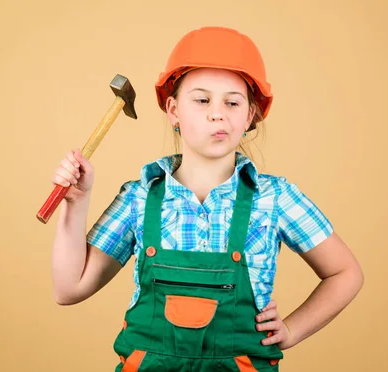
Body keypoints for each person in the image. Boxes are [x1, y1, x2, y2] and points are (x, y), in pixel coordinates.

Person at [50, 26, 364, 371]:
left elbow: (345, 273)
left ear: (249, 116)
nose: (218, 113)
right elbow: (69, 289)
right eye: (202, 100)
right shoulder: (139, 197)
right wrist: (76, 203)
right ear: (173, 110)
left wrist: (291, 329)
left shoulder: (275, 199)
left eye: (232, 102)